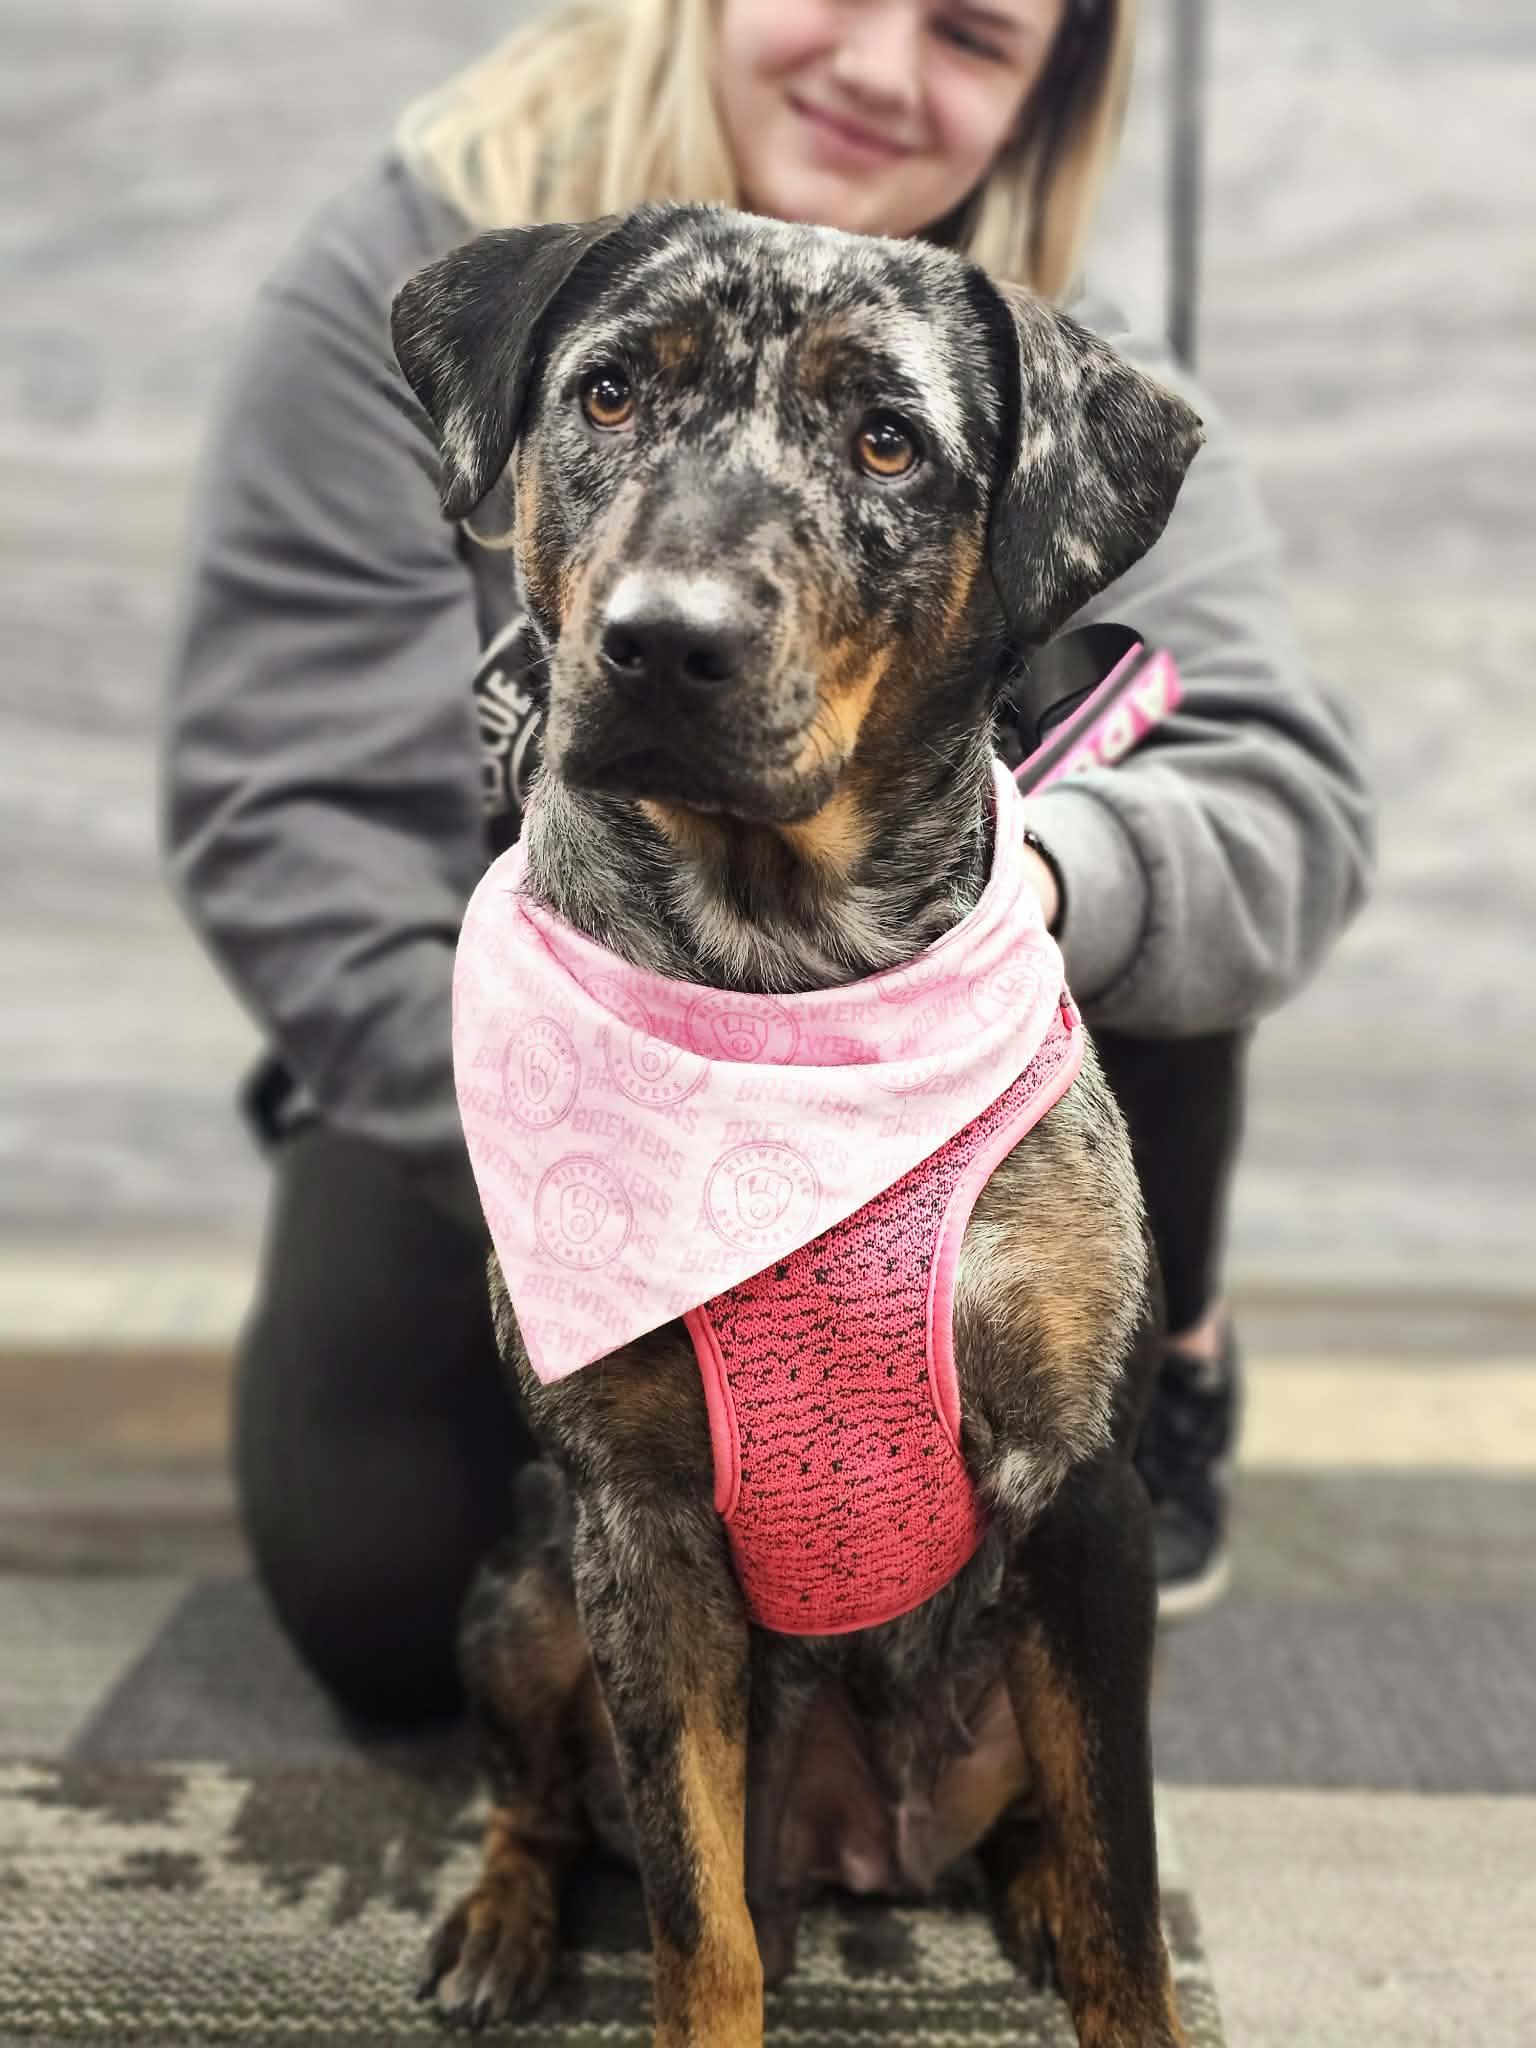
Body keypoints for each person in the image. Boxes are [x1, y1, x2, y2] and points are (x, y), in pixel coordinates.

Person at [163, 0, 1373, 1728]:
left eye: (970, 32)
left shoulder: (1050, 360)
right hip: (529, 1068)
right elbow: (283, 812)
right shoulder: (426, 265)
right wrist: (598, 1159)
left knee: (1130, 921)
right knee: (387, 1591)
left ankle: (1129, 1353)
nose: (883, 66)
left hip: (932, 1086)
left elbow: (1280, 798)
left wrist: (1028, 893)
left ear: (1042, 95)